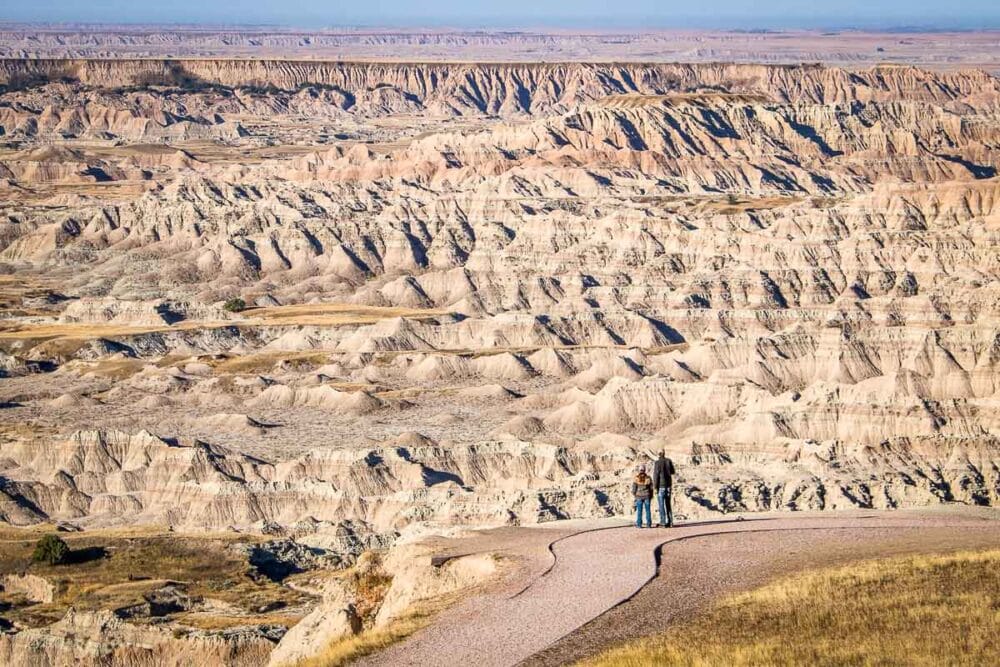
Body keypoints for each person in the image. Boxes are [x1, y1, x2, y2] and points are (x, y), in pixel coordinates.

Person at [652, 451, 676, 527]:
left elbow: (656, 476)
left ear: (658, 454)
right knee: (668, 504)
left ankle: (663, 522)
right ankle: (670, 522)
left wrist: (655, 487)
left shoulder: (657, 463)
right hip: (668, 485)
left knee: (661, 505)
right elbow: (673, 472)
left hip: (661, 486)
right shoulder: (669, 461)